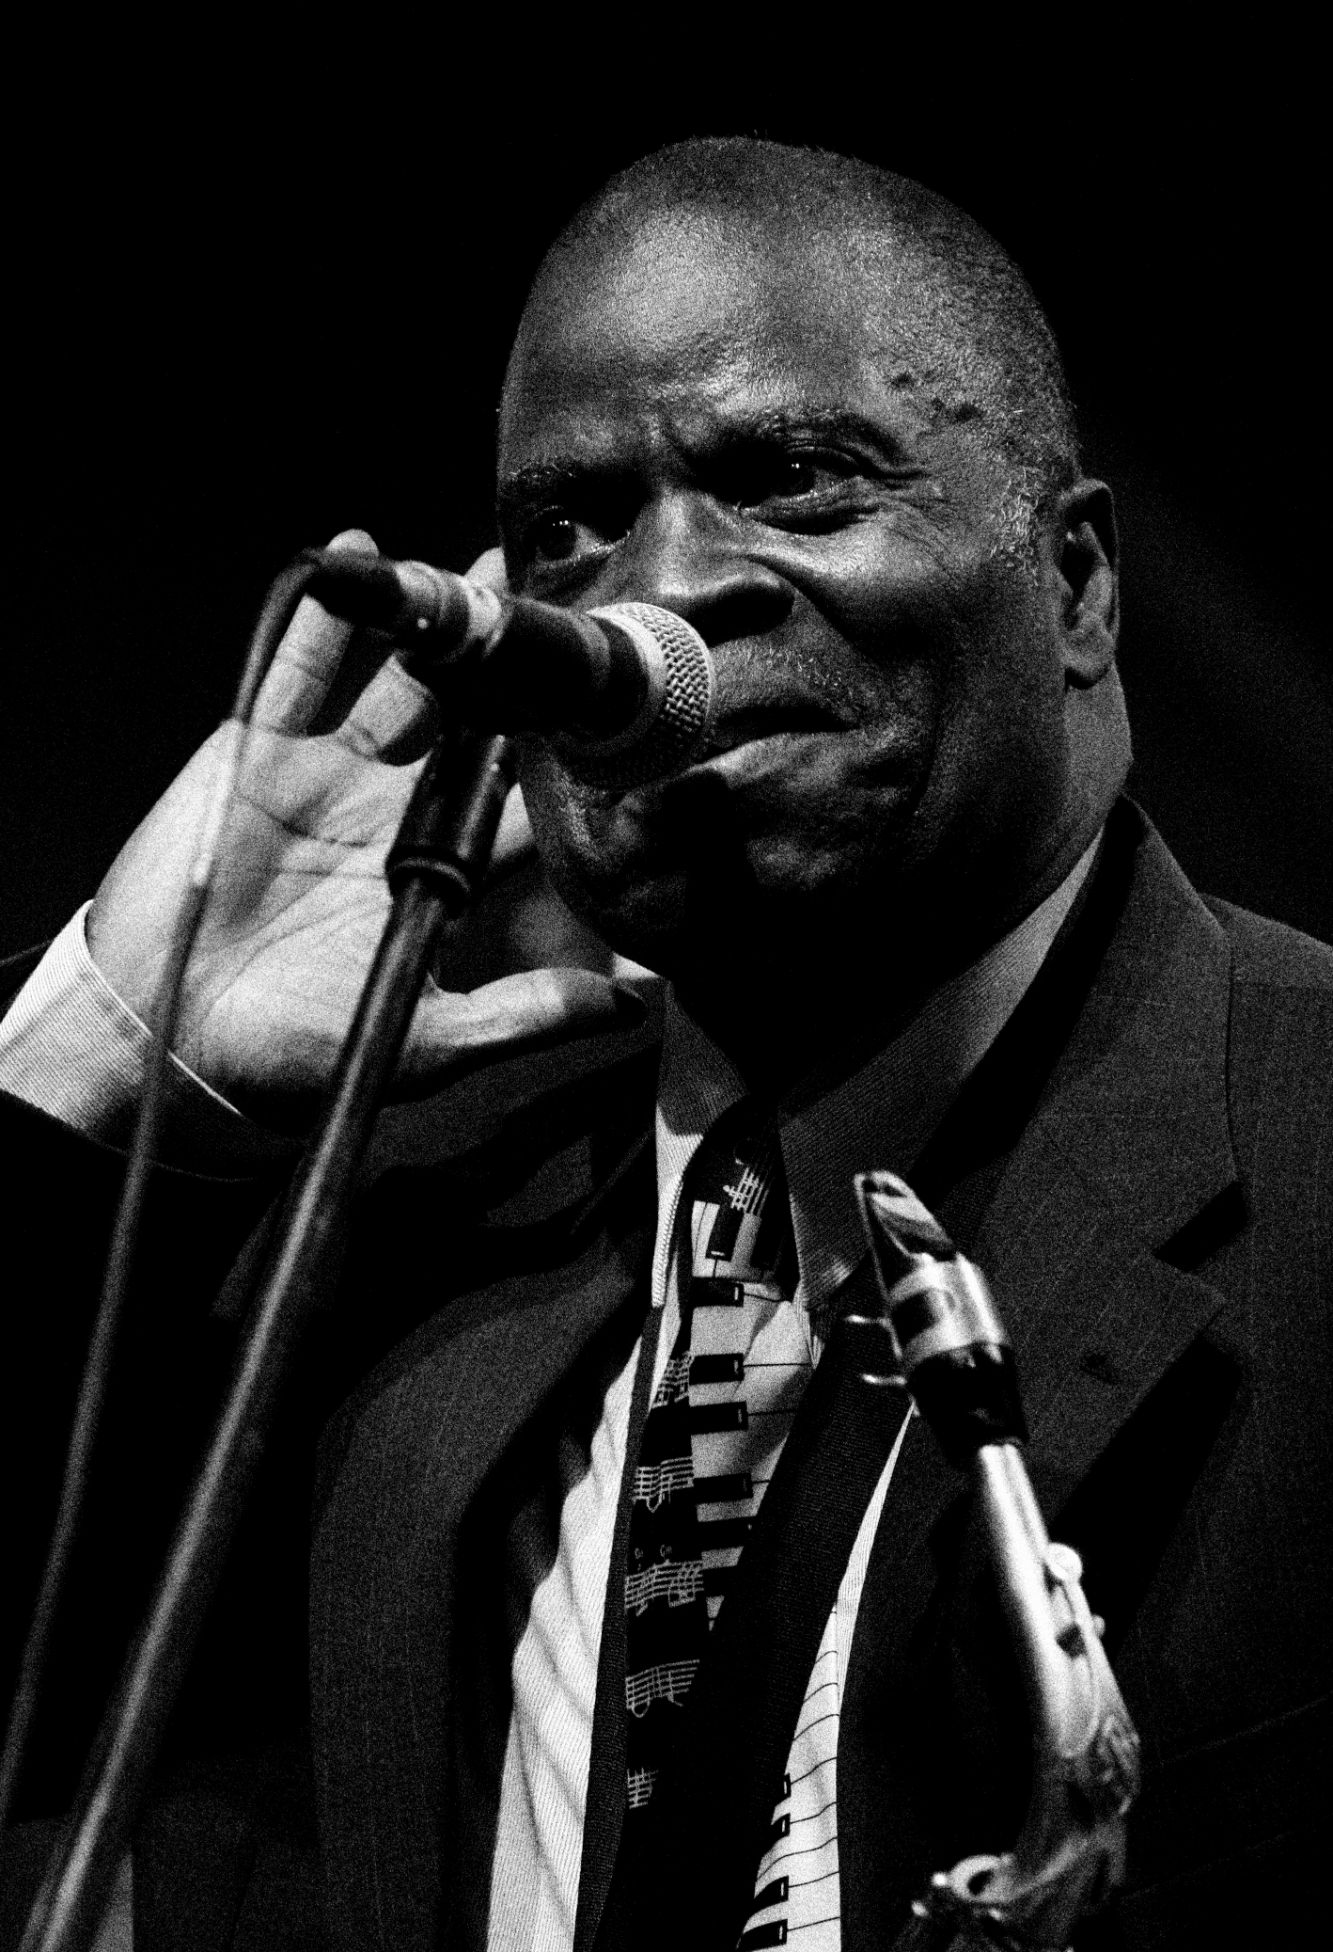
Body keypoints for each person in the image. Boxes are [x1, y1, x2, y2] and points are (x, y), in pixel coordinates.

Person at [2, 138, 1330, 1951]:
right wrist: (101, 1056)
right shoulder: (365, 1243)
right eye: (571, 523)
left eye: (788, 478)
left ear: (1078, 581)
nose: (656, 592)